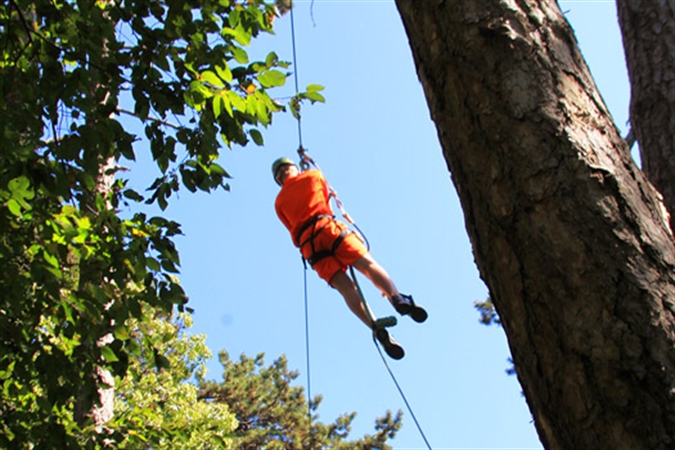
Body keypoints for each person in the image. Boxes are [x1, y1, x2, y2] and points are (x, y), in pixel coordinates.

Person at [272, 157, 427, 359]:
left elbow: (290, 225)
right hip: (329, 228)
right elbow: (325, 194)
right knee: (368, 266)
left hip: (310, 246)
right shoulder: (313, 175)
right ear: (293, 168)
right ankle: (396, 298)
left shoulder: (279, 202)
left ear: (278, 179)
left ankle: (374, 325)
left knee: (347, 289)